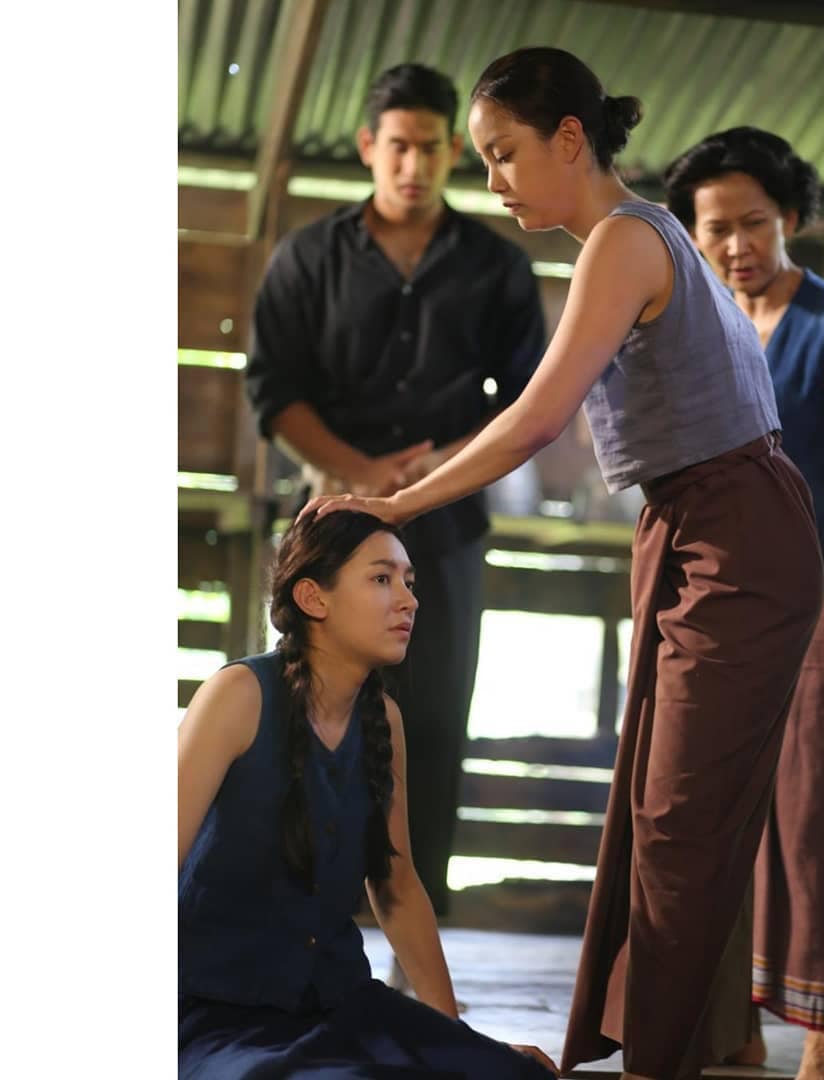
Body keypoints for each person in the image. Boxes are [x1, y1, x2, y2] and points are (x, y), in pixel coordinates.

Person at [303, 47, 824, 1080]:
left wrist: (397, 503)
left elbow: (539, 416)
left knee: (679, 819)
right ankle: (686, 1042)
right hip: (695, 523)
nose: (492, 178)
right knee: (661, 810)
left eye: (504, 152)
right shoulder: (628, 239)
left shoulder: (627, 239)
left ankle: (662, 1059)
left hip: (739, 532)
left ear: (570, 139)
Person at [244, 62, 546, 951]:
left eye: (431, 147)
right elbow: (273, 391)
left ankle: (421, 923)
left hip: (446, 523)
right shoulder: (308, 257)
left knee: (437, 714)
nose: (414, 165)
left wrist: (439, 470)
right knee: (311, 708)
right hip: (329, 522)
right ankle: (300, 912)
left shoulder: (497, 265)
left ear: (454, 149)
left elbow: (530, 399)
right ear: (369, 146)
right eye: (399, 146)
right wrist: (360, 475)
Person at [663, 126, 824, 1080]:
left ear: (791, 217)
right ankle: (739, 1026)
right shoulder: (702, 333)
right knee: (729, 819)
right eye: (715, 229)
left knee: (819, 823)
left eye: (755, 223)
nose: (736, 246)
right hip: (730, 614)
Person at [178, 509, 557, 1077]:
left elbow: (397, 888)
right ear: (313, 598)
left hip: (339, 1005)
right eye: (382, 578)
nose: (408, 600)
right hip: (218, 1014)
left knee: (511, 1072)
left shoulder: (384, 719)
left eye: (409, 582)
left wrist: (452, 1039)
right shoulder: (239, 694)